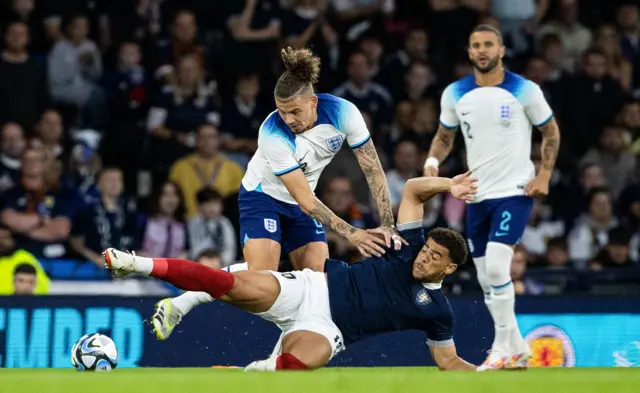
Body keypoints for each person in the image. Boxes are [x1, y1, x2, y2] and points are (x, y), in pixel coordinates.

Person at [103, 172, 479, 371]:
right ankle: (136, 264)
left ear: (449, 267)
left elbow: (447, 362)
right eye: (427, 250)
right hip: (313, 288)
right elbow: (413, 190)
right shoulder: (410, 245)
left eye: (434, 258)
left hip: (331, 330)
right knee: (228, 283)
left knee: (297, 366)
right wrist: (450, 185)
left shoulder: (438, 311)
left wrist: (483, 372)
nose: (424, 258)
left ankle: (253, 372)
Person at [422, 24, 561, 370]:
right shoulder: (455, 93)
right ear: (469, 52)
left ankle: (501, 348)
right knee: (486, 277)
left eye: (489, 45)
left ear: (501, 51)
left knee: (499, 266)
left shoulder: (524, 90)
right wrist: (431, 161)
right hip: (476, 195)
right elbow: (443, 134)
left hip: (513, 190)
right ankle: (518, 350)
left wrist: (544, 173)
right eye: (476, 45)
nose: (482, 50)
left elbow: (550, 131)